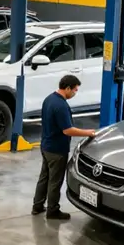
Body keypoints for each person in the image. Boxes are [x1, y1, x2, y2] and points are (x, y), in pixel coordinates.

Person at [32, 75, 97, 220]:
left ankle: (37, 205)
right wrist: (88, 133)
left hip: (46, 146)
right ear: (67, 88)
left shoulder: (49, 99)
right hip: (57, 149)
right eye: (75, 90)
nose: (75, 93)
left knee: (44, 177)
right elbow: (67, 130)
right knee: (55, 181)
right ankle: (53, 210)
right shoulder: (60, 106)